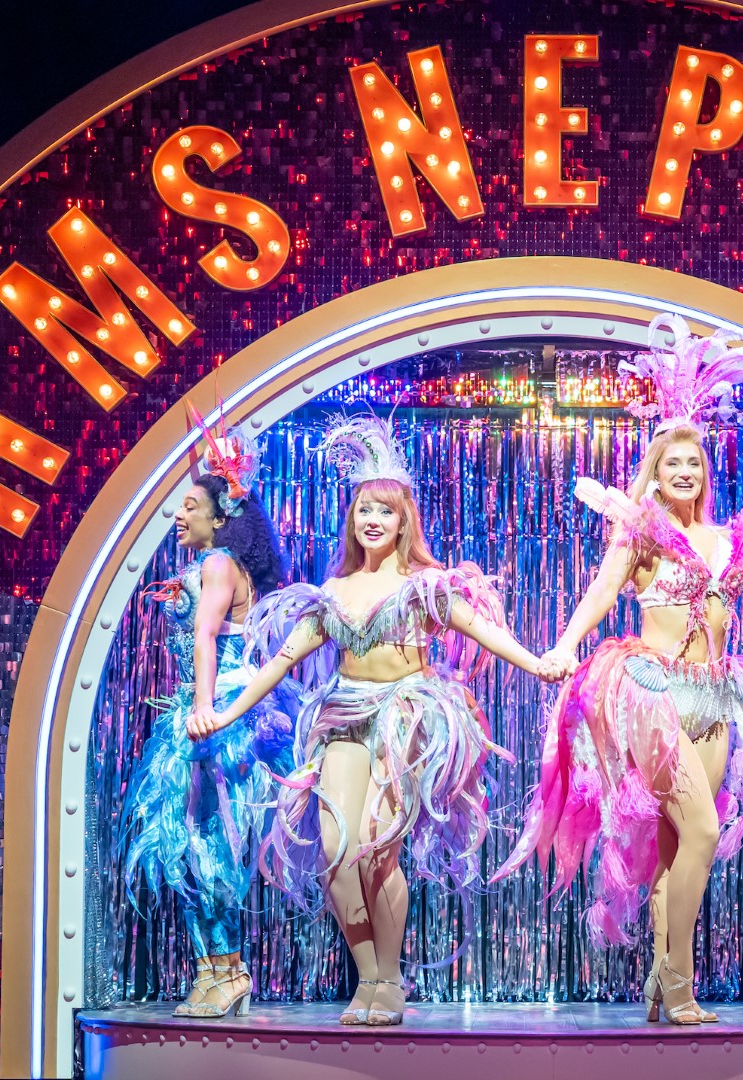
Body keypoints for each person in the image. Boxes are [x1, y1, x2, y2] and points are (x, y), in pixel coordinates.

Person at [496, 314, 743, 1026]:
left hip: (717, 693)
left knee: (680, 843)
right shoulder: (642, 534)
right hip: (650, 690)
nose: (684, 471)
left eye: (693, 462)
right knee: (701, 829)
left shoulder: (734, 541)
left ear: (705, 473)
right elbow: (603, 592)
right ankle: (678, 981)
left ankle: (659, 987)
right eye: (671, 463)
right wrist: (566, 644)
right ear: (657, 475)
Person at [198, 416, 561, 1026]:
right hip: (344, 715)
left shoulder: (426, 587)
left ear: (402, 522)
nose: (373, 520)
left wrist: (539, 664)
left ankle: (388, 982)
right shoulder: (334, 589)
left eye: (385, 512)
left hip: (405, 717)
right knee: (337, 853)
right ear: (354, 517)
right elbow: (282, 661)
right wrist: (224, 711)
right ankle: (369, 976)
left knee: (376, 851)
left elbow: (486, 632)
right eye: (364, 508)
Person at [118, 416, 296, 1018]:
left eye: (188, 505)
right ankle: (219, 970)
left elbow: (205, 636)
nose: (178, 515)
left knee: (202, 842)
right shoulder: (218, 568)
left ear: (219, 517)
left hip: (219, 709)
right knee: (196, 843)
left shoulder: (218, 562)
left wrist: (201, 709)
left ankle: (223, 970)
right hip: (224, 702)